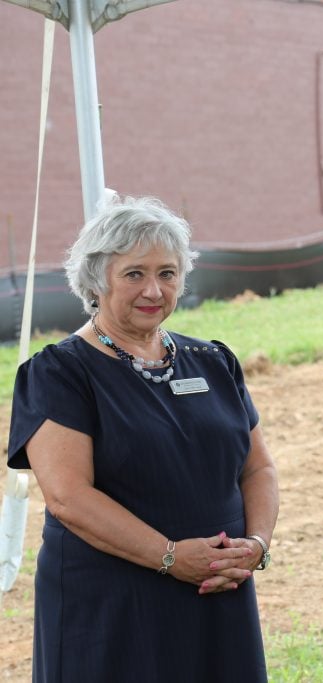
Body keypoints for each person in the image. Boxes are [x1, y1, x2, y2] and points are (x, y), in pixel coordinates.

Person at [7, 196, 279, 682]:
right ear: (97, 280)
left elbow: (258, 468)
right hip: (113, 605)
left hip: (217, 591)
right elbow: (69, 498)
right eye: (134, 274)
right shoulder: (61, 372)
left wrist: (256, 543)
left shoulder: (214, 361)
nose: (153, 289)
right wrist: (172, 557)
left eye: (167, 273)